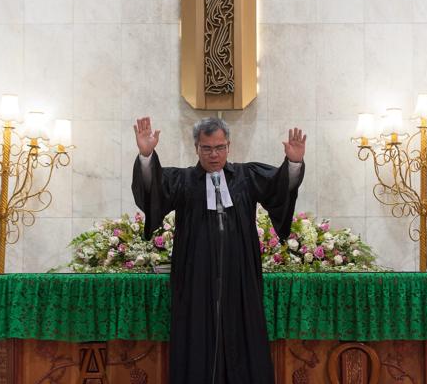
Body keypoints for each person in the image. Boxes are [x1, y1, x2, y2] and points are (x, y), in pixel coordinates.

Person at [131, 116, 306, 384]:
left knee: (242, 336)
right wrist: (146, 157)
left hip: (239, 279)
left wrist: (293, 164)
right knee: (197, 339)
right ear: (196, 148)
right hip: (196, 280)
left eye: (220, 147)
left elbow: (279, 188)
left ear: (229, 146)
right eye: (207, 148)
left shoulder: (246, 176)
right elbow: (153, 190)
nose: (214, 155)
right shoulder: (184, 180)